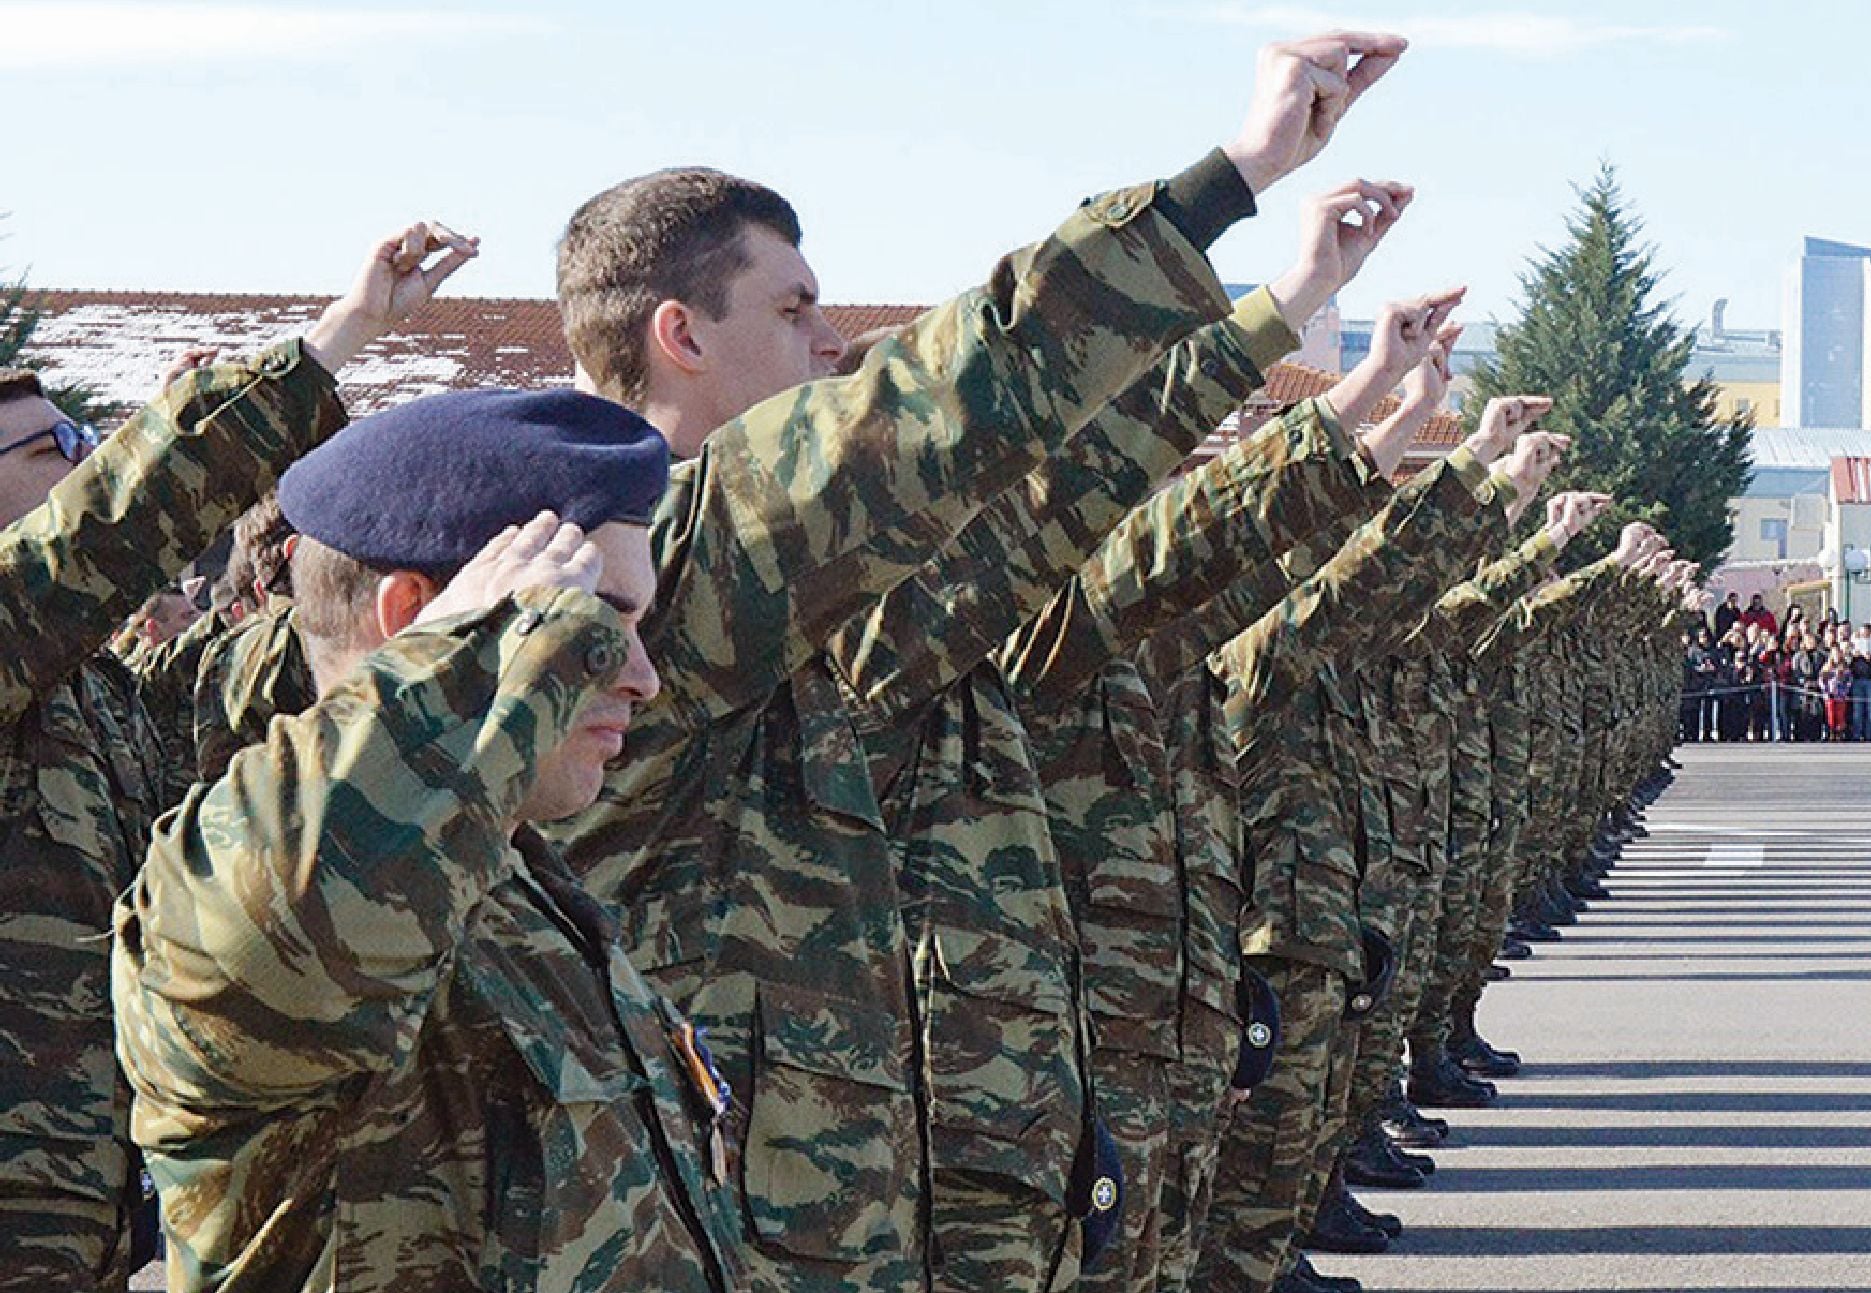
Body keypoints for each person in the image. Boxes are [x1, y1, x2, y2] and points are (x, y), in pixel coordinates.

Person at [546, 30, 1415, 1293]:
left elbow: (1061, 490)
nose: (829, 343)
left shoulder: (792, 586)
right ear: (678, 334)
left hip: (907, 1173)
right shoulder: (669, 567)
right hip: (747, 1213)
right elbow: (951, 399)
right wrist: (1228, 176)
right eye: (792, 311)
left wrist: (1270, 318)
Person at [113, 393, 750, 1291]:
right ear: (418, 618)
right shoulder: (226, 884)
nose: (639, 676)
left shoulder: (531, 897)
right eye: (589, 627)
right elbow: (289, 906)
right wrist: (459, 652)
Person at [0, 221, 473, 1291]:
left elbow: (281, 665)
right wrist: (331, 343)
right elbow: (95, 535)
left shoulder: (104, 699)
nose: (84, 458)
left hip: (96, 1205)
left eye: (86, 440)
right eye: (50, 449)